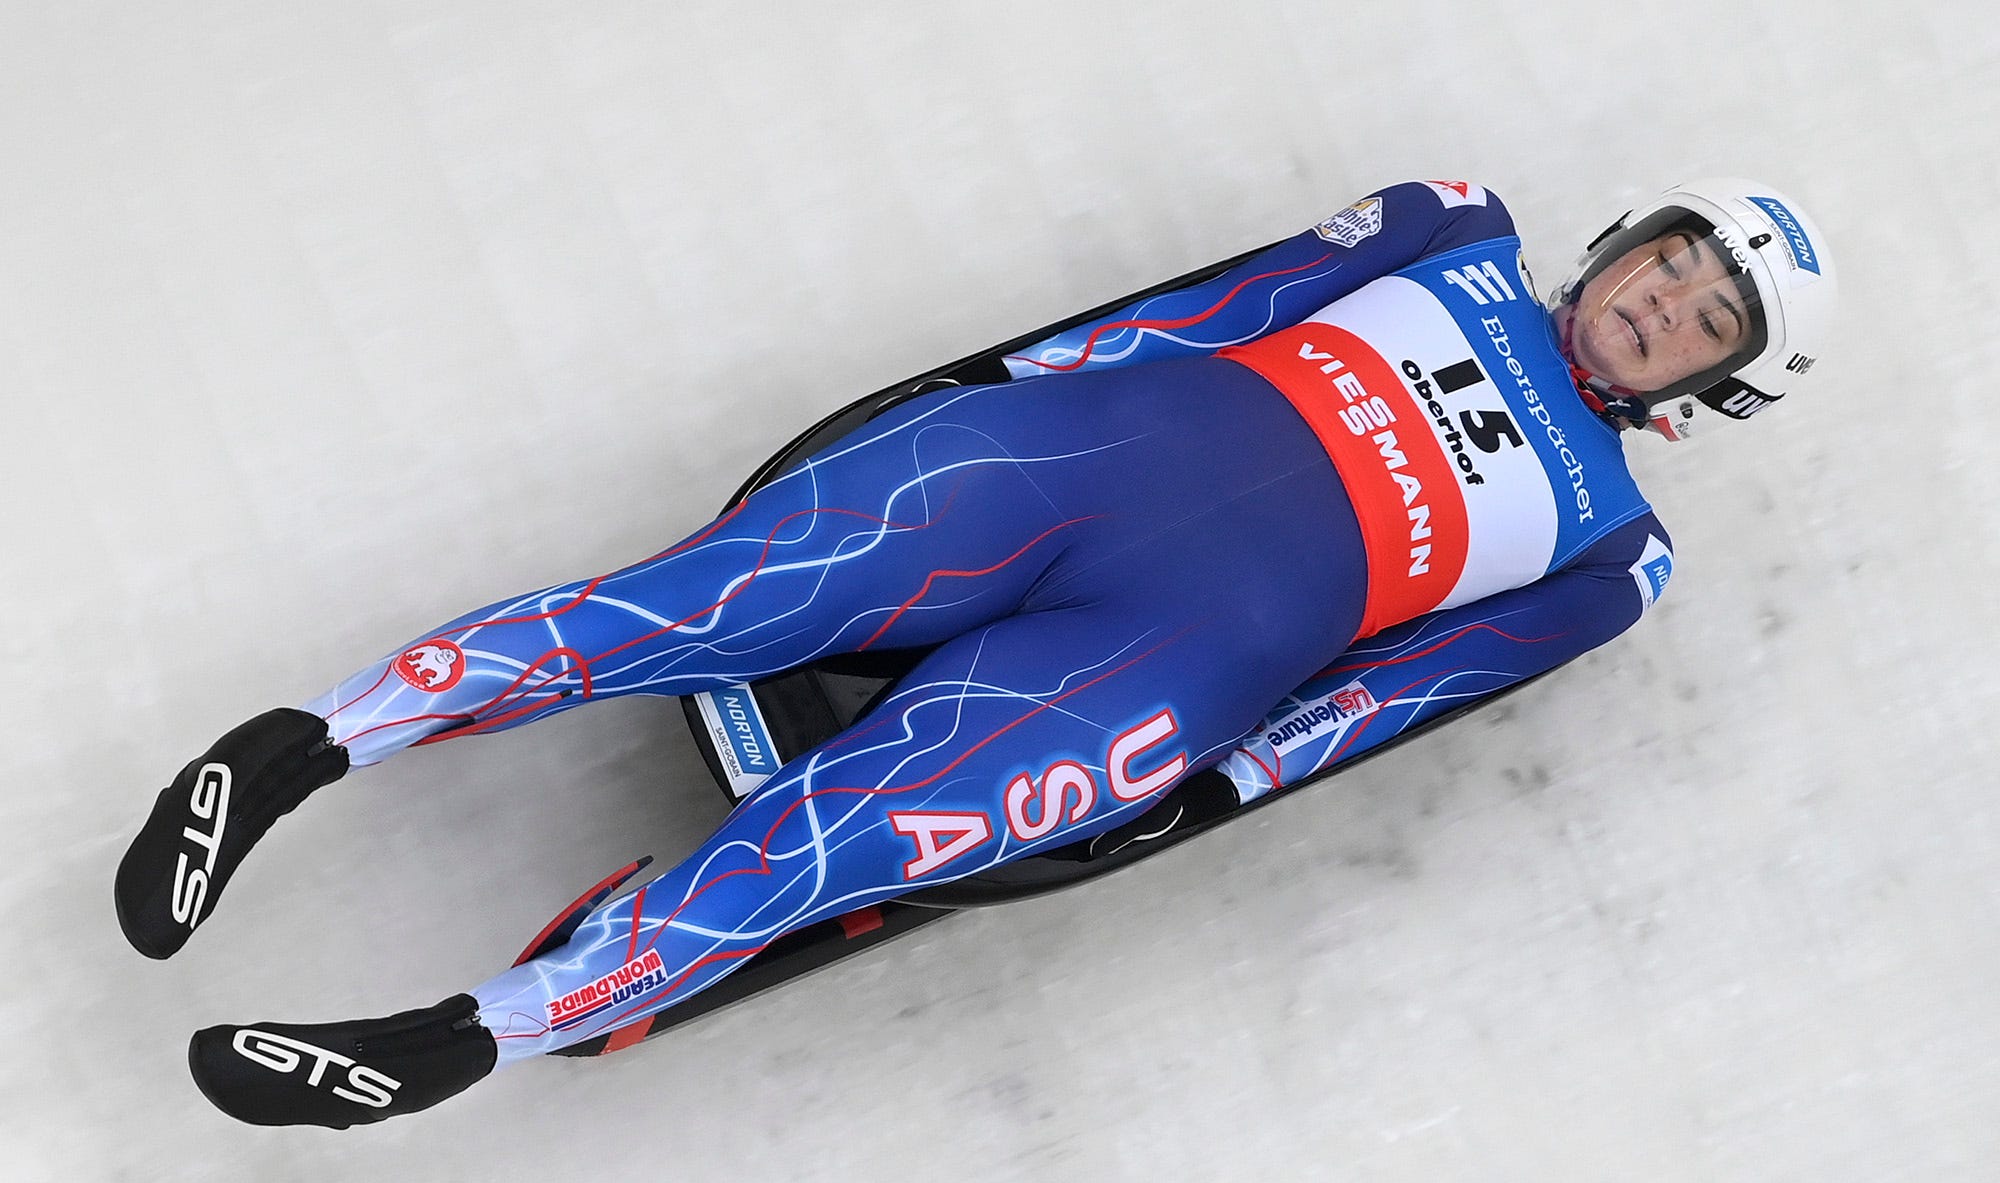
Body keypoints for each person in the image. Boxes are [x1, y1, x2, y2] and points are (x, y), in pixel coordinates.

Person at [115, 177, 1835, 1128]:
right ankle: (299, 744)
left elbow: (1393, 694)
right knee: (690, 598)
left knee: (842, 843)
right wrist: (993, 395)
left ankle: (465, 1036)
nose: (1658, 301)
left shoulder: (1617, 559)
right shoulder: (1450, 228)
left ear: (1710, 383)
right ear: (1624, 235)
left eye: (1700, 319)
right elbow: (1197, 311)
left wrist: (1221, 781)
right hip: (1057, 476)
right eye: (1668, 261)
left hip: (1165, 666)